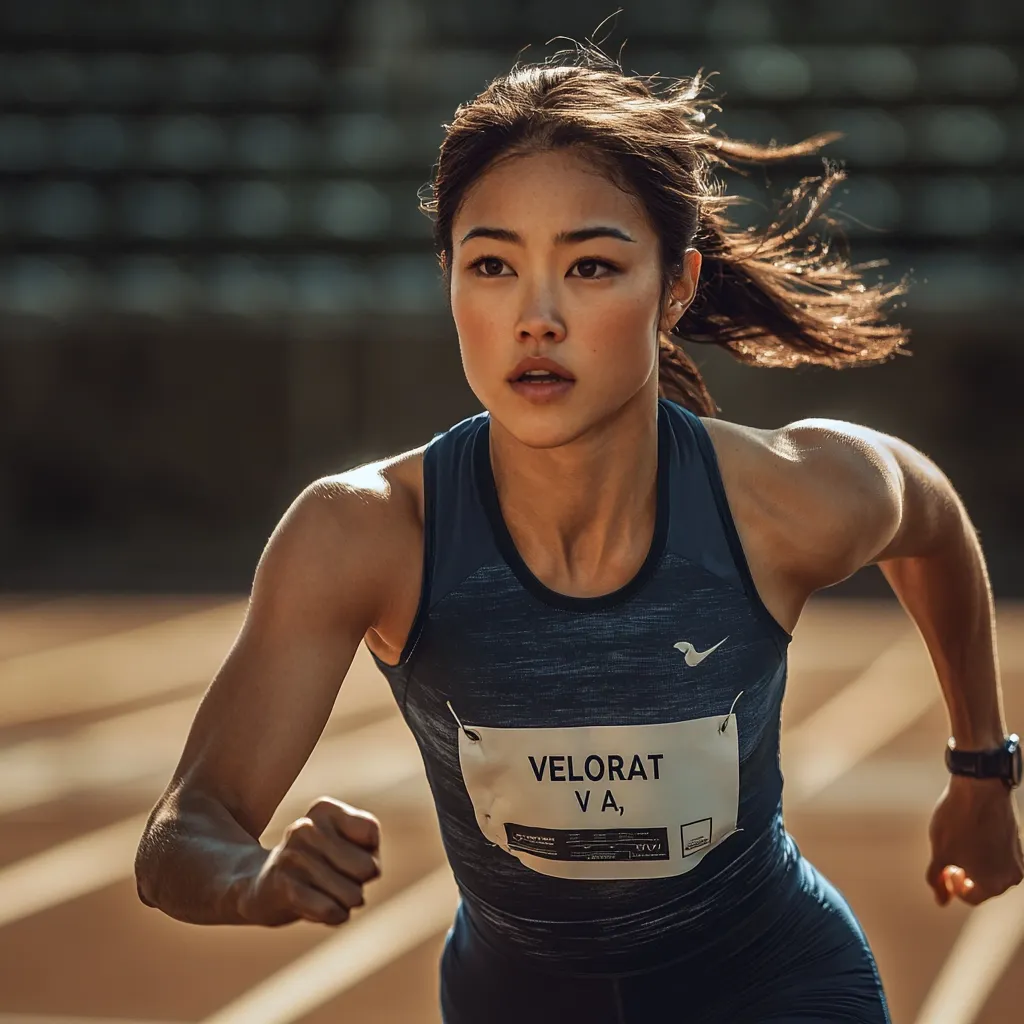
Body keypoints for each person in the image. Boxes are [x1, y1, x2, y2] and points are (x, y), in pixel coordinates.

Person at [135, 47, 1024, 1024]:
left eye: (591, 266)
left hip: (776, 987)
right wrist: (251, 881)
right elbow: (182, 832)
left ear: (675, 286)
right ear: (449, 280)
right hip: (512, 1000)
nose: (536, 317)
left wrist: (980, 770)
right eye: (492, 266)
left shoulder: (783, 499)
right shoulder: (366, 534)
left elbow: (930, 516)